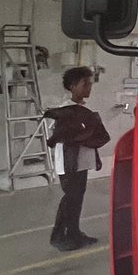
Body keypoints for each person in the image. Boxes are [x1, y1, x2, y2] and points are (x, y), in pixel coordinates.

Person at [45, 66, 109, 251]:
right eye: (85, 83)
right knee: (70, 198)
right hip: (69, 162)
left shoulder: (84, 110)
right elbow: (58, 135)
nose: (89, 87)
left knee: (77, 198)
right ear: (72, 86)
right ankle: (59, 236)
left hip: (82, 161)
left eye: (90, 83)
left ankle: (73, 233)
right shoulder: (64, 110)